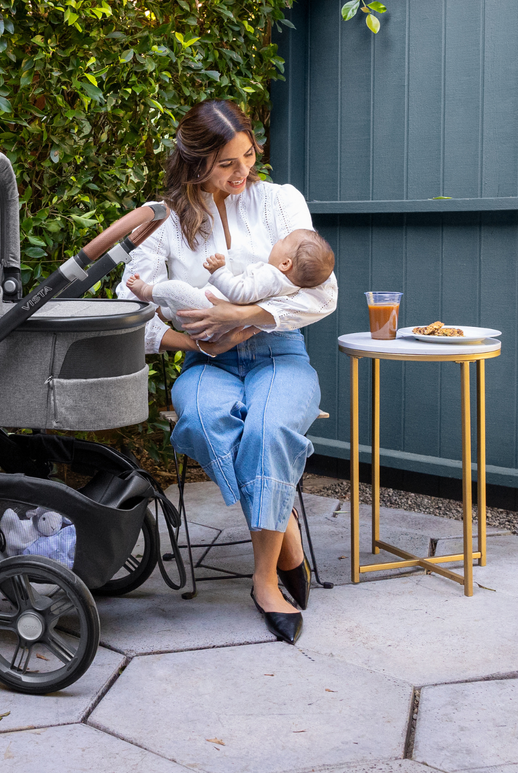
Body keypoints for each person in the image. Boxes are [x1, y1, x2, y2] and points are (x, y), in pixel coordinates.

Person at [115, 99, 337, 644]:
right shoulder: (164, 221)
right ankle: (284, 530)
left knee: (267, 429)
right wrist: (186, 338)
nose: (244, 172)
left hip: (280, 352)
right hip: (202, 361)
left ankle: (264, 582)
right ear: (195, 164)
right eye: (227, 164)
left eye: (248, 155)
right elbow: (128, 309)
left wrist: (240, 316)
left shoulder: (281, 203)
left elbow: (322, 294)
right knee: (207, 417)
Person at [125, 228, 334, 327]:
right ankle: (167, 311)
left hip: (211, 308)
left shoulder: (271, 276)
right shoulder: (286, 284)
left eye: (284, 240)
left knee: (175, 290)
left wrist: (218, 273)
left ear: (285, 264)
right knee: (180, 304)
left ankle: (145, 291)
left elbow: (240, 294)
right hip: (213, 312)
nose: (278, 240)